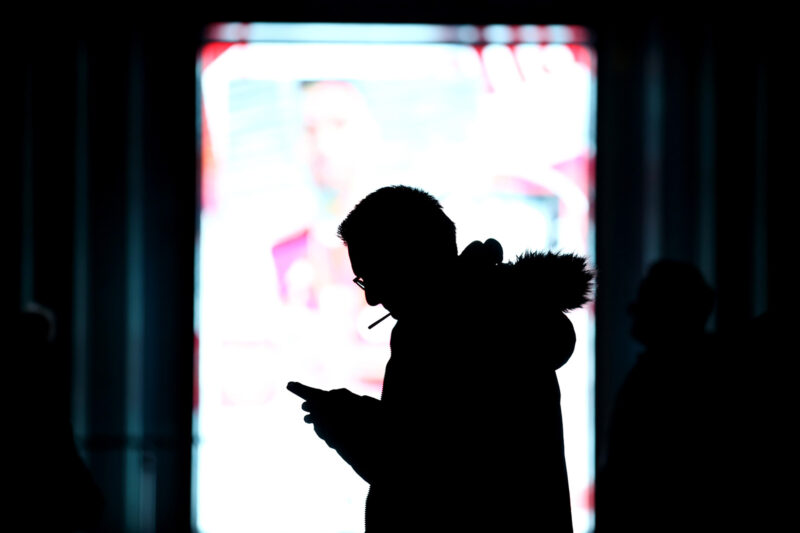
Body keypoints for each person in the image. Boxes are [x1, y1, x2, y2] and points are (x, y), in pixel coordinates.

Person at [289, 185, 594, 532]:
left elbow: (420, 480)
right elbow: (450, 443)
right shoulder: (503, 316)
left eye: (373, 276)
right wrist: (359, 415)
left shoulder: (436, 332)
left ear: (410, 258)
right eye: (362, 281)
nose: (372, 298)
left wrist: (344, 425)